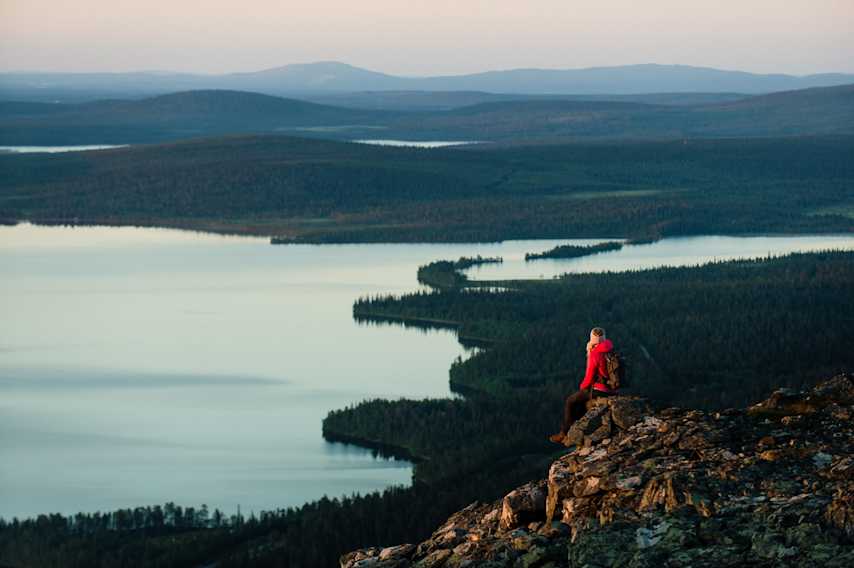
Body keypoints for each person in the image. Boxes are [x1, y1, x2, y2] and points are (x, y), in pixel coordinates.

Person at [549, 327, 616, 443]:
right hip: (613, 388)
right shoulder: (610, 348)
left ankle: (564, 433)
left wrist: (582, 387)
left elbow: (589, 379)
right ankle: (575, 432)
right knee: (583, 403)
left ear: (592, 339)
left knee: (570, 401)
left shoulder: (595, 354)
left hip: (600, 389)